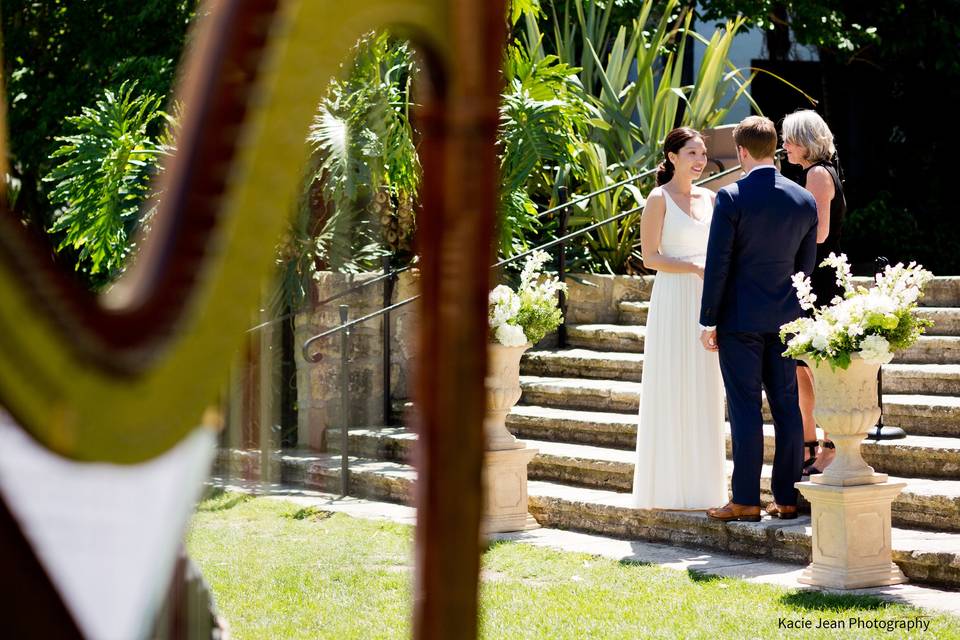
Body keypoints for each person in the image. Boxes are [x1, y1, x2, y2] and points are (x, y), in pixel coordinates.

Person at [699, 116, 818, 522]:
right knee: (786, 408)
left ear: (742, 152)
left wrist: (707, 319)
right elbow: (805, 269)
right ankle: (786, 498)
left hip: (739, 321)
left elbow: (719, 264)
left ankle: (746, 500)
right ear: (776, 149)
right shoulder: (804, 201)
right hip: (786, 321)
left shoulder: (730, 197)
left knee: (746, 408)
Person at [631, 127, 726, 510]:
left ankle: (705, 488)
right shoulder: (658, 199)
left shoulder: (714, 198)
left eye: (702, 154)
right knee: (672, 384)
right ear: (672, 157)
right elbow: (650, 258)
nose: (700, 161)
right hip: (673, 299)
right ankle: (666, 487)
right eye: (691, 153)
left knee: (705, 387)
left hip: (707, 300)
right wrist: (691, 267)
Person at [782, 110, 848, 474]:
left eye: (790, 138)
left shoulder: (819, 174)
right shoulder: (812, 173)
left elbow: (818, 234)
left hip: (819, 280)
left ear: (806, 141)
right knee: (802, 369)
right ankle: (811, 447)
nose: (784, 145)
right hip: (811, 277)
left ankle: (831, 447)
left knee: (817, 369)